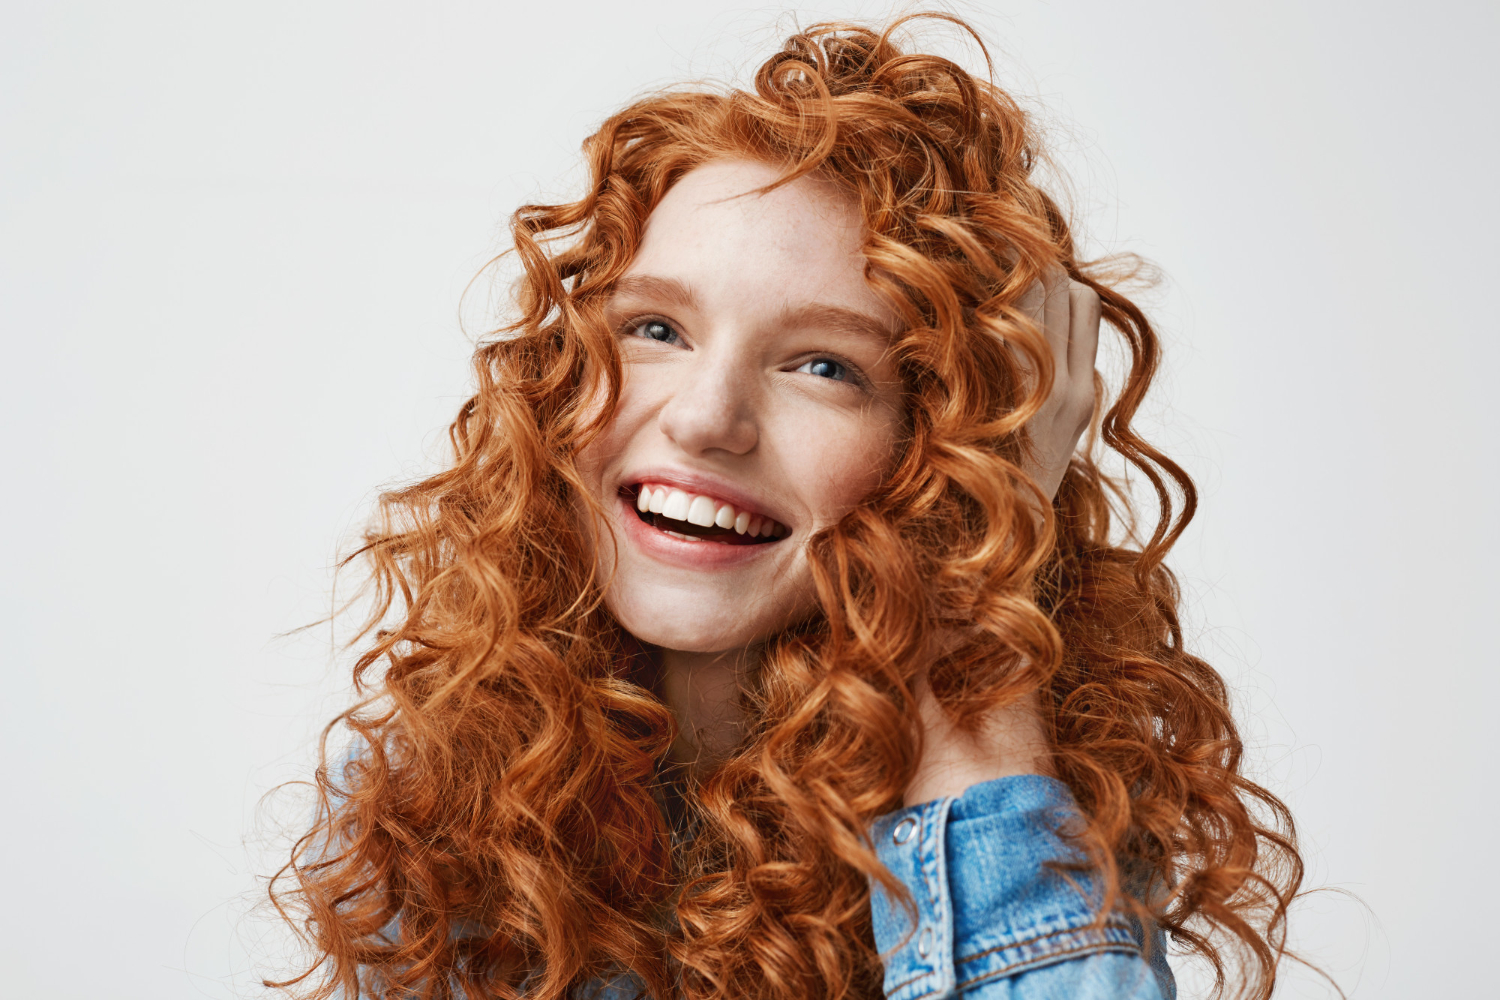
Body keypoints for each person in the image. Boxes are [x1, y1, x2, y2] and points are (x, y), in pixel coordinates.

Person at [269, 15, 1302, 1000]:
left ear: (940, 446)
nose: (707, 417)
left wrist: (972, 671)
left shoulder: (1034, 824)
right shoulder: (429, 789)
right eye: (656, 330)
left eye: (822, 364)